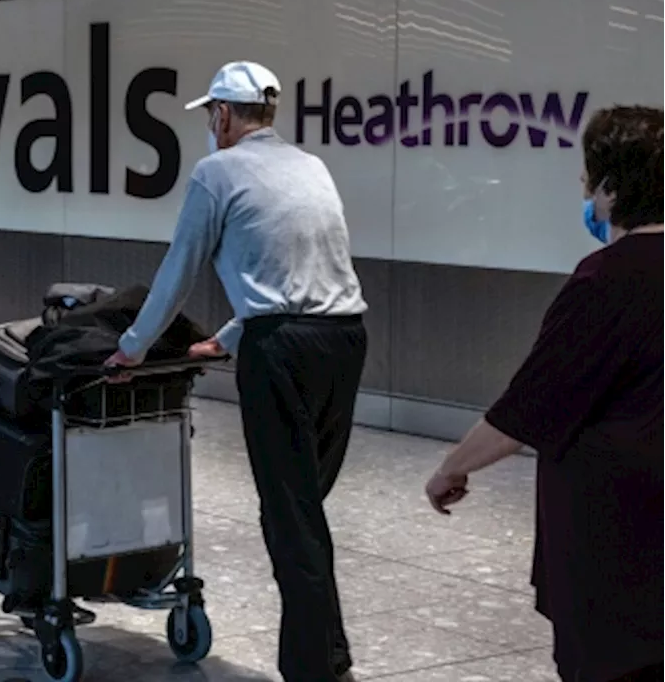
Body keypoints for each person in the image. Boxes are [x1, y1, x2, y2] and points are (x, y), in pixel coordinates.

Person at [104, 61, 369, 682]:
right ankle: (327, 656)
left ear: (222, 114)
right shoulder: (312, 167)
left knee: (290, 513)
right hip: (346, 340)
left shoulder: (215, 172)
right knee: (301, 507)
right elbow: (304, 270)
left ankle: (318, 669)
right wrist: (226, 338)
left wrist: (134, 347)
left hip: (283, 352)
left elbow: (180, 268)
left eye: (209, 116)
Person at [424, 105, 665, 682]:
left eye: (589, 177)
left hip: (618, 540)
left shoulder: (607, 279)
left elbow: (530, 407)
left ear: (612, 185)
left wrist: (451, 468)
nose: (585, 190)